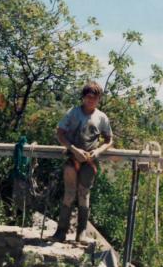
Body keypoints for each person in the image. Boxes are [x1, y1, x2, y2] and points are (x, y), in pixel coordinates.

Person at [52, 81, 113, 243]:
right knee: (69, 193)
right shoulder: (73, 113)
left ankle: (82, 232)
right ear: (84, 97)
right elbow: (60, 133)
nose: (91, 100)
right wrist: (74, 149)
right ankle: (61, 231)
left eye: (95, 98)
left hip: (90, 162)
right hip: (72, 158)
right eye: (88, 97)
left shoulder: (102, 117)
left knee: (84, 194)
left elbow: (109, 140)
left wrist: (98, 151)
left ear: (99, 99)